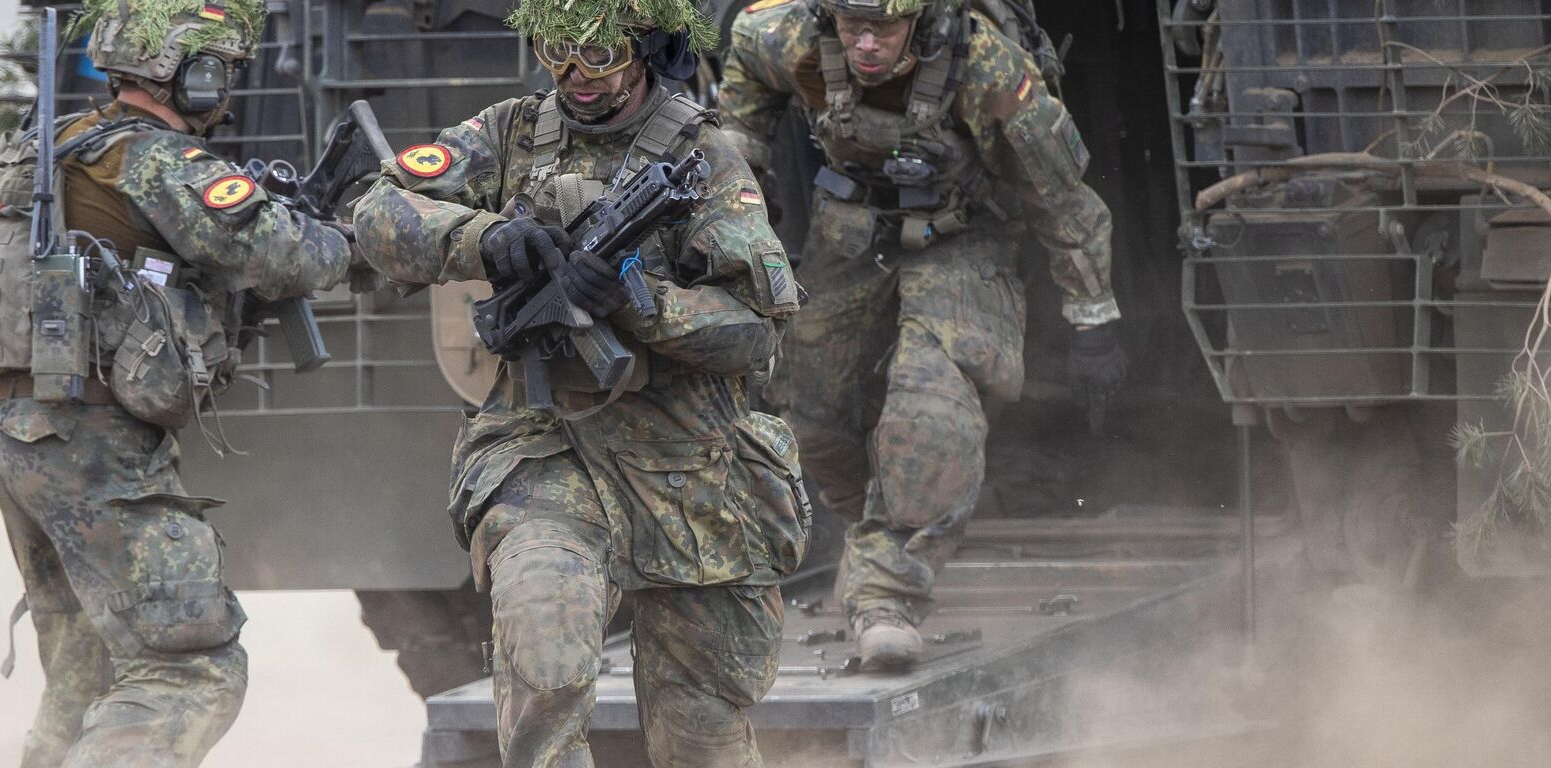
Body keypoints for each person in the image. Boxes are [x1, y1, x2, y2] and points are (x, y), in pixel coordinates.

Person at [351, 0, 809, 763]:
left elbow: (756, 328)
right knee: (547, 664)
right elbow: (378, 211)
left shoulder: (704, 157)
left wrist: (639, 300)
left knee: (701, 729)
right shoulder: (512, 132)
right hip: (545, 449)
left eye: (599, 55)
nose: (575, 75)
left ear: (645, 50)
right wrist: (486, 238)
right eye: (556, 50)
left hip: (687, 465)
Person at [0, 1, 355, 764]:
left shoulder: (54, 143)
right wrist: (348, 234)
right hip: (89, 441)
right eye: (222, 71)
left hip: (16, 431)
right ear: (193, 76)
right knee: (187, 668)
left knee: (86, 676)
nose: (228, 88)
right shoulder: (158, 160)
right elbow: (292, 257)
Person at [718, 0, 1127, 670]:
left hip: (966, 235)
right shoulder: (785, 35)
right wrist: (740, 190)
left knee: (931, 411)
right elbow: (741, 105)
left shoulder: (986, 63)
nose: (866, 44)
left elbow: (1062, 197)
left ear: (919, 19)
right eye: (852, 26)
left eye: (883, 27)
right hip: (852, 227)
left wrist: (1094, 317)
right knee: (809, 412)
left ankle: (887, 594)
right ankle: (882, 526)